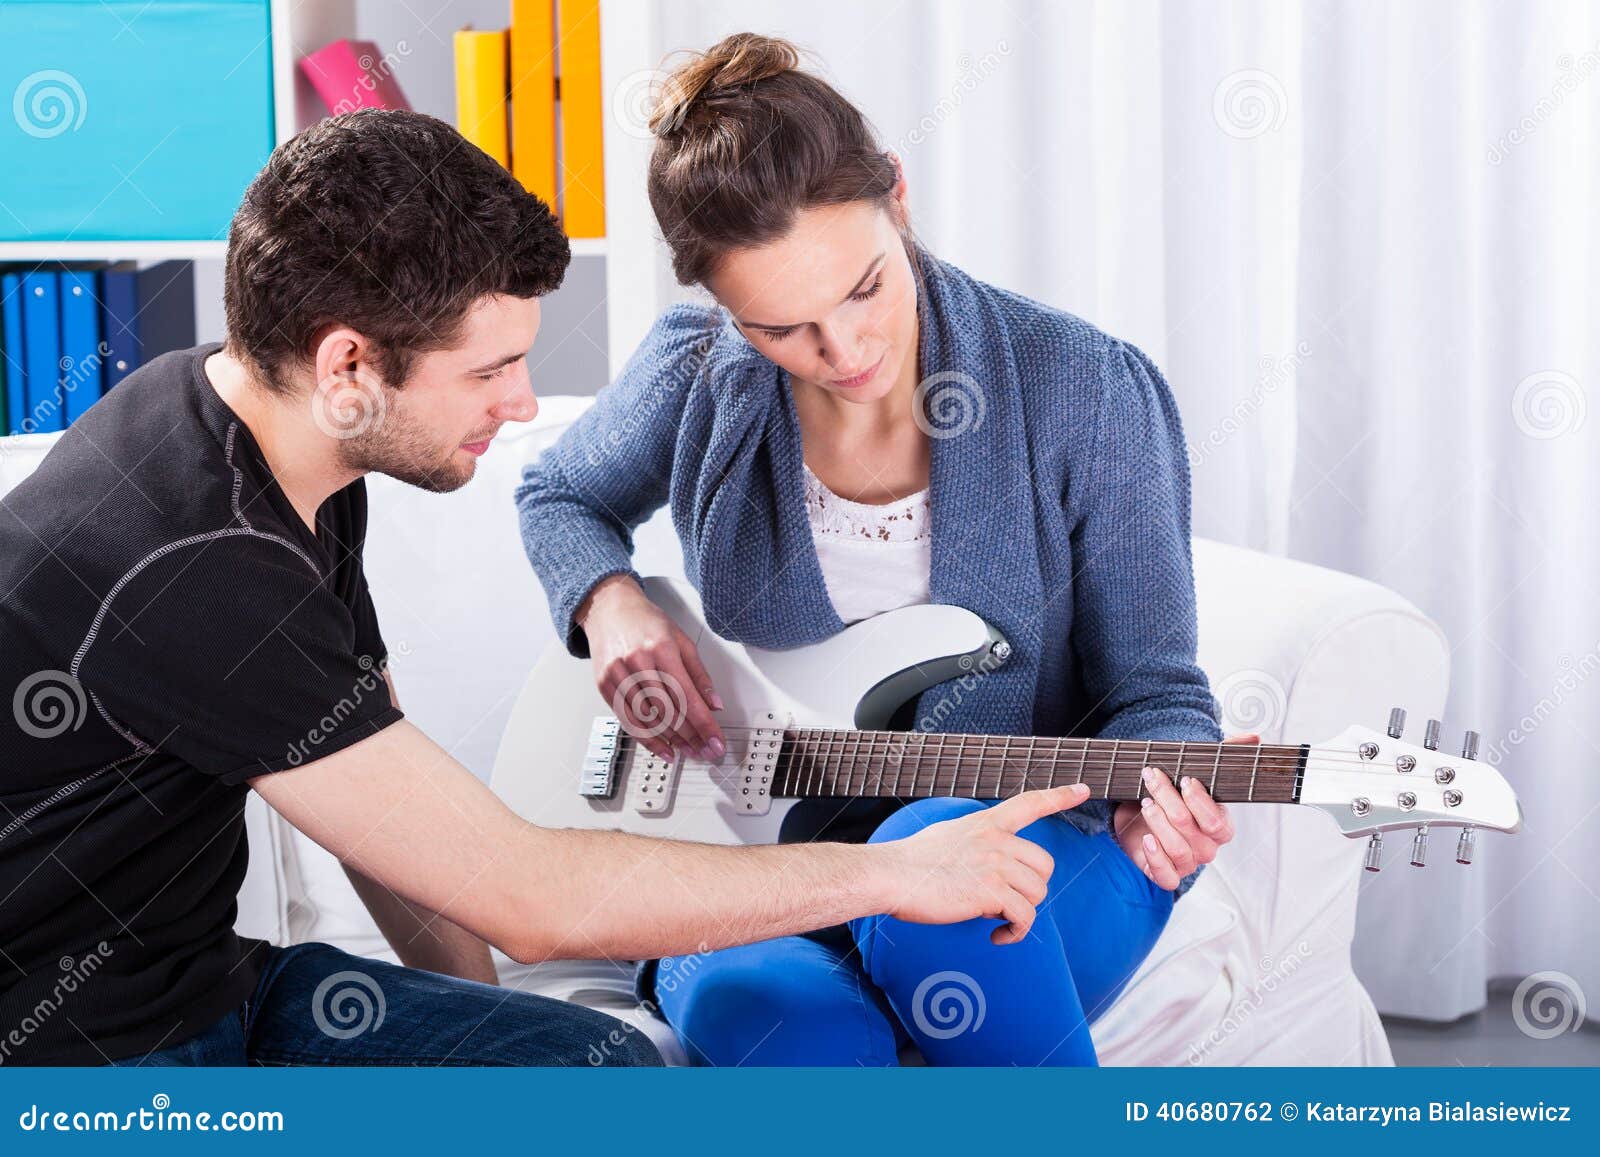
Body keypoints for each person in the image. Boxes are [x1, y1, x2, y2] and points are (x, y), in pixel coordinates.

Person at [0, 109, 1093, 1067]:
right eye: (486, 372)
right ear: (347, 367)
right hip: (77, 1058)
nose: (522, 405)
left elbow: (385, 813)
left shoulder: (260, 434)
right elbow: (532, 898)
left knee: (599, 1071)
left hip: (214, 988)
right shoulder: (196, 564)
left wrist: (481, 1040)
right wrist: (894, 875)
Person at [516, 34, 1243, 1067]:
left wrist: (1161, 809)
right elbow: (558, 492)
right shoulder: (693, 372)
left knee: (932, 876)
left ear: (896, 196)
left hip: (1033, 850)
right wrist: (612, 602)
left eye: (864, 289)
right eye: (783, 328)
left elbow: (1157, 692)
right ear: (724, 310)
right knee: (776, 1018)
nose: (844, 352)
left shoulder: (1081, 386)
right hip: (757, 862)